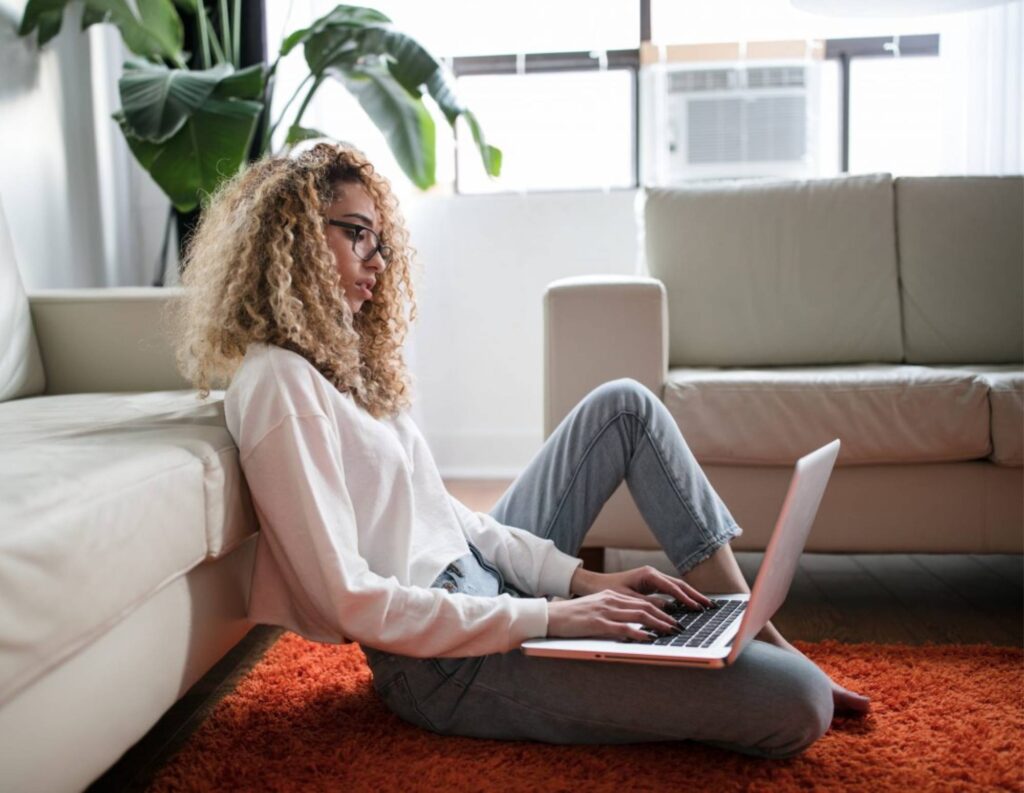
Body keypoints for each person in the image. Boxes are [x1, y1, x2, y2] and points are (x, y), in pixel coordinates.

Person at [171, 141, 869, 760]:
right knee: (799, 702)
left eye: (380, 240)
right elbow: (350, 599)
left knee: (623, 405)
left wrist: (578, 582)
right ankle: (755, 655)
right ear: (291, 238)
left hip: (482, 586)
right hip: (441, 663)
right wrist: (549, 616)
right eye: (357, 235)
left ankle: (747, 624)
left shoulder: (341, 365)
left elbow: (449, 518)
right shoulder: (278, 383)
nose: (376, 261)